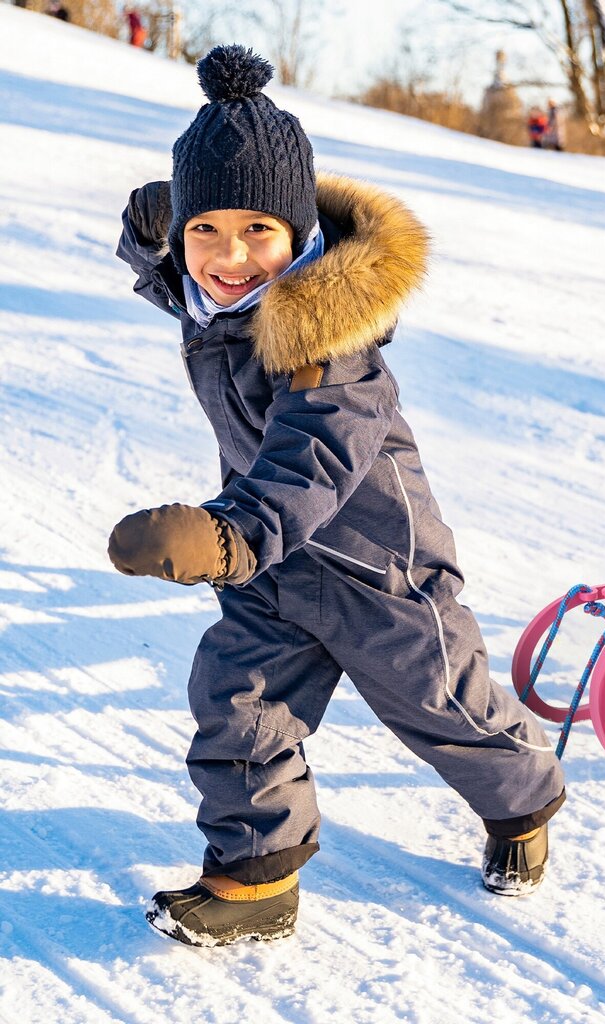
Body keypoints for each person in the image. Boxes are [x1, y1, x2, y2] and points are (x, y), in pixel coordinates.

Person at [110, 45, 566, 948]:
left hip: (376, 569)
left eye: (257, 232)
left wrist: (229, 537)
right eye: (205, 230)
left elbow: (313, 459)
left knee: (448, 710)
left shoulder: (333, 346)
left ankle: (524, 803)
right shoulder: (221, 299)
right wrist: (151, 231)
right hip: (277, 571)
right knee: (235, 701)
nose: (228, 258)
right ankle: (255, 883)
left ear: (303, 234)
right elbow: (178, 279)